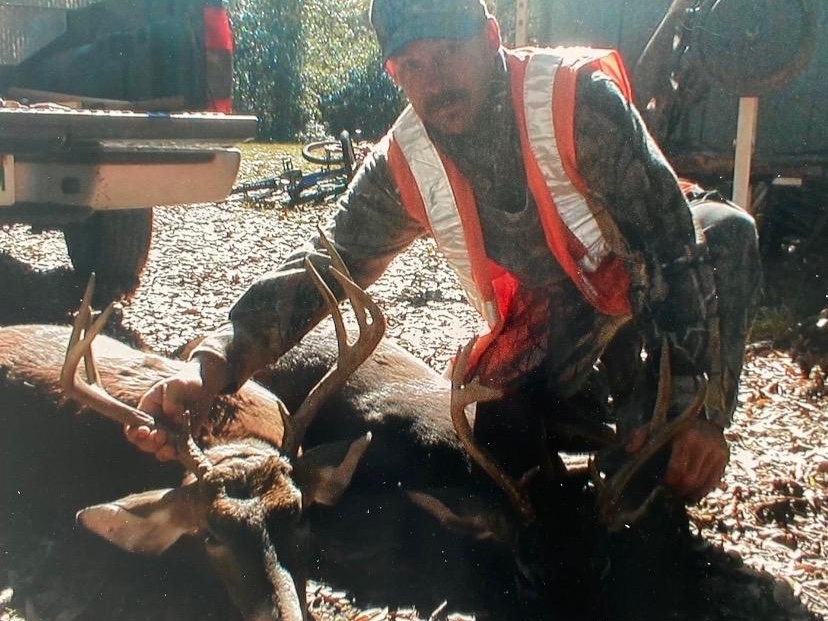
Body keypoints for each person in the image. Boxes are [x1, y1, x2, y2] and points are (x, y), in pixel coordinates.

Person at [129, 0, 761, 507]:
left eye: (450, 54)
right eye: (414, 65)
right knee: (498, 438)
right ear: (393, 74)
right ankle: (605, 417)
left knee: (724, 233)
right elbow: (324, 272)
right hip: (561, 312)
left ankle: (680, 429)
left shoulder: (573, 102)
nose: (435, 81)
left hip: (641, 273)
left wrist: (693, 406)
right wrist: (211, 365)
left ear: (490, 38)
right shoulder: (402, 163)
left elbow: (672, 246)